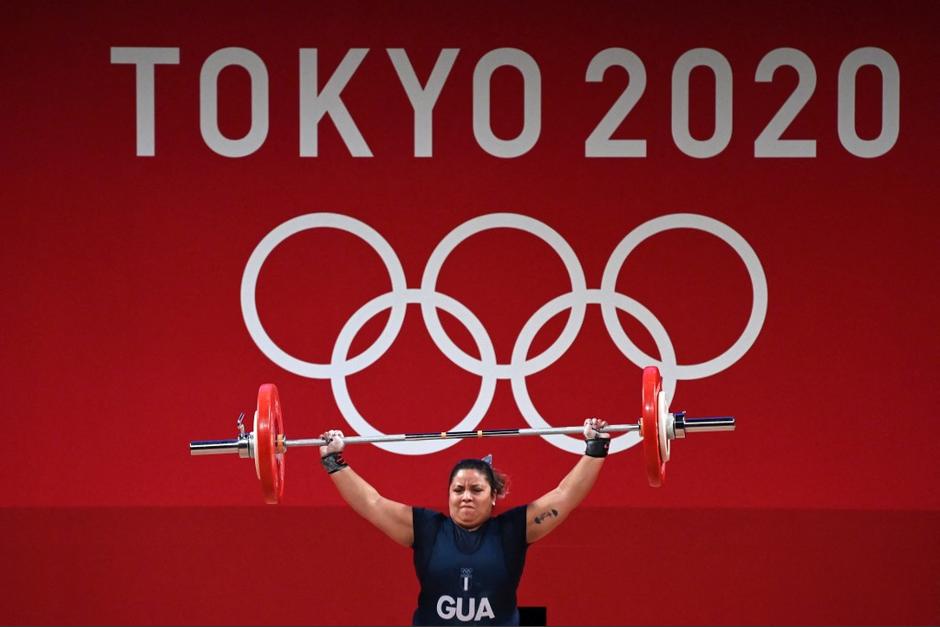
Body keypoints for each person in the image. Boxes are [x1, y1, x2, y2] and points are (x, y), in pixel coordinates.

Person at [318, 418, 611, 626]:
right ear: (447, 495)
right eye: (458, 490)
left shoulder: (512, 530)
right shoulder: (427, 529)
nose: (466, 497)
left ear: (493, 496)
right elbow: (372, 503)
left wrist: (594, 449)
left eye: (476, 490)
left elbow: (565, 495)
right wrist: (334, 462)